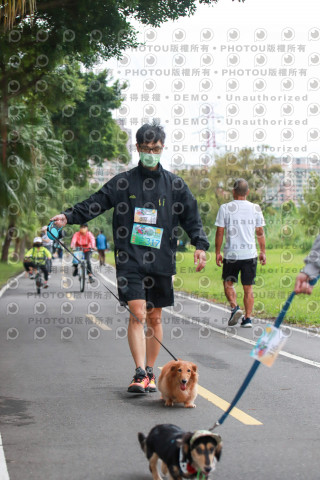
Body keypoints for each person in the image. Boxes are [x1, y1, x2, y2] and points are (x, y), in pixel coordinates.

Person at [50, 121, 209, 394]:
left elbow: (191, 216)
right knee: (138, 313)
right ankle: (138, 372)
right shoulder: (123, 182)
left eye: (156, 148)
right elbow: (96, 202)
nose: (151, 152)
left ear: (162, 148)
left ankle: (149, 371)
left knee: (154, 317)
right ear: (137, 148)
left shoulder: (175, 185)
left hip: (160, 259)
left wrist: (200, 244)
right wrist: (68, 216)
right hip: (129, 259)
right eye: (146, 148)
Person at [215, 178, 266, 328]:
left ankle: (235, 307)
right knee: (248, 287)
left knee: (228, 283)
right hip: (250, 254)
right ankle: (248, 319)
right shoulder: (255, 208)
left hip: (231, 255)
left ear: (233, 192)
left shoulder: (225, 208)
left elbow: (219, 232)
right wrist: (263, 251)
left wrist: (217, 252)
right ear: (247, 192)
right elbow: (260, 232)